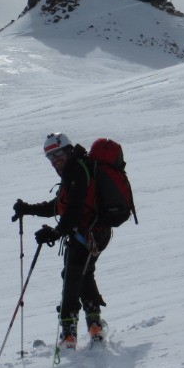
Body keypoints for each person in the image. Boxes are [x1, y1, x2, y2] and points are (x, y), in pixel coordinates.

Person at [12, 132, 111, 349]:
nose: (55, 161)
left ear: (67, 150)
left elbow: (74, 209)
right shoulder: (74, 170)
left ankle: (69, 333)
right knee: (81, 275)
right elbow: (61, 206)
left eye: (58, 155)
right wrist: (27, 209)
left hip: (89, 234)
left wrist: (56, 232)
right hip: (92, 233)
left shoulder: (77, 170)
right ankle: (94, 325)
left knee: (72, 277)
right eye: (50, 158)